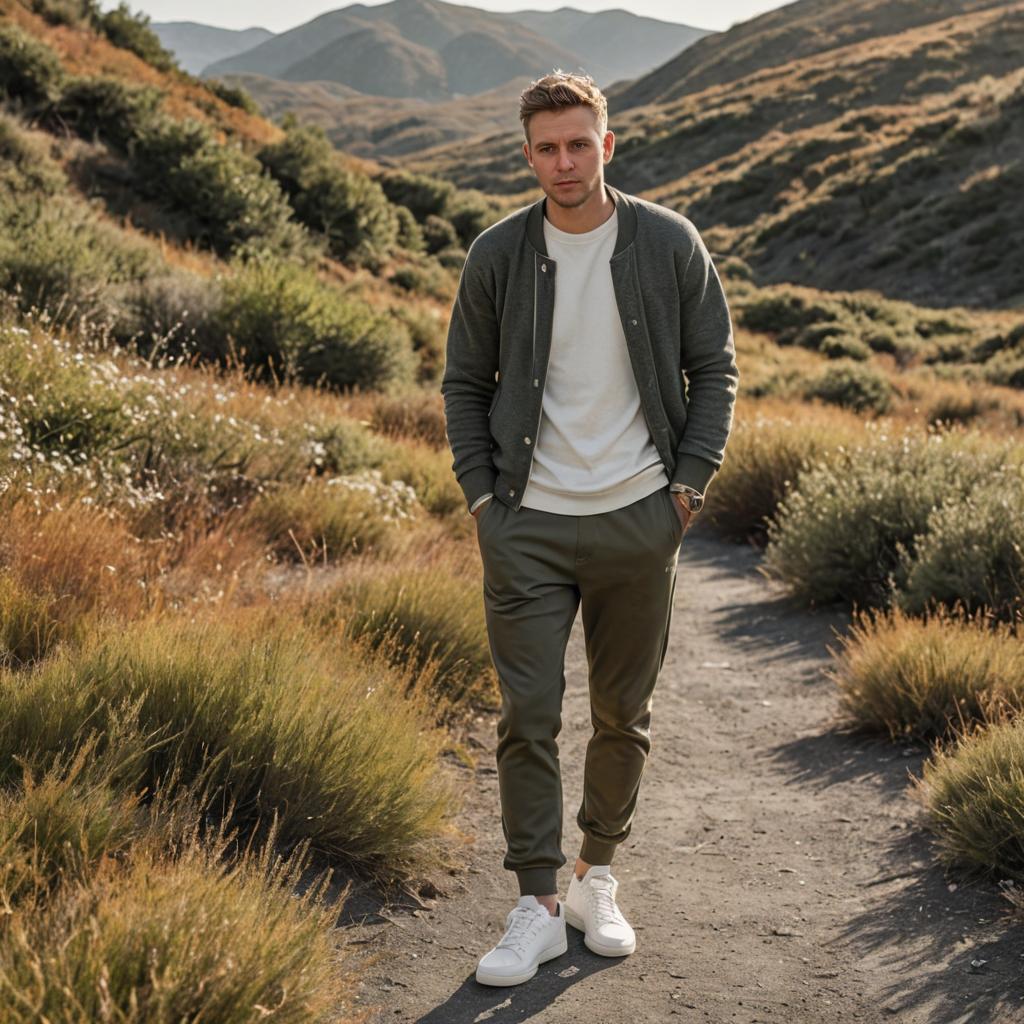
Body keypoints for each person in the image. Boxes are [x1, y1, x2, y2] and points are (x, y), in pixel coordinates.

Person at [440, 69, 738, 988]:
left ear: (608, 145)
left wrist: (683, 492)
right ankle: (534, 903)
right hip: (525, 523)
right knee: (527, 718)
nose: (564, 161)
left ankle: (592, 878)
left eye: (580, 143)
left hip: (638, 519)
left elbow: (715, 371)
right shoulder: (497, 253)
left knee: (623, 716)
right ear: (526, 154)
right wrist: (485, 502)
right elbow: (463, 385)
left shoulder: (667, 242)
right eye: (546, 147)